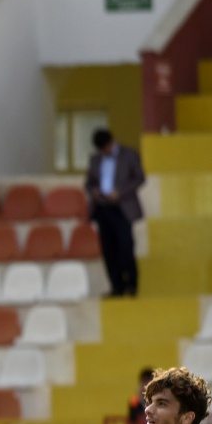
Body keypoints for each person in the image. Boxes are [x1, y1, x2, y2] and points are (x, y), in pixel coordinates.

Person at [85, 127, 145, 297]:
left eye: (106, 147)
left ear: (112, 141)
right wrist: (94, 191)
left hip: (122, 208)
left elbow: (140, 178)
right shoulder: (95, 159)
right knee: (108, 250)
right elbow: (88, 182)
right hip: (102, 208)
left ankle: (131, 285)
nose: (104, 151)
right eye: (101, 149)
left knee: (126, 247)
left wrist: (120, 191)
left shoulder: (130, 155)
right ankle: (117, 287)